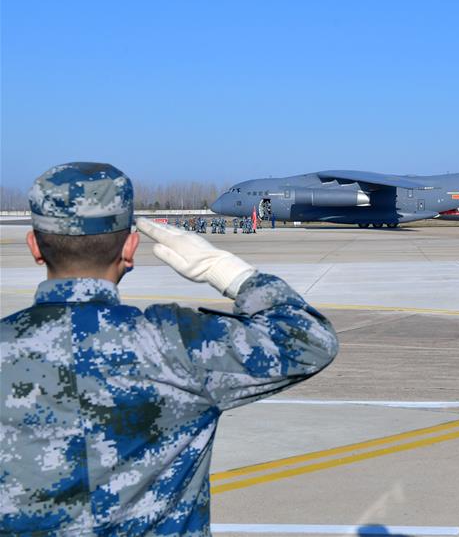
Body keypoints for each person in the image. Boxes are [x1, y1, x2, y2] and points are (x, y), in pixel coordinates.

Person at [1, 162, 339, 535]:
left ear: (35, 246)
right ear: (130, 247)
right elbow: (309, 338)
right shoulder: (176, 345)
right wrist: (226, 270)